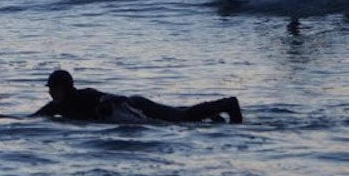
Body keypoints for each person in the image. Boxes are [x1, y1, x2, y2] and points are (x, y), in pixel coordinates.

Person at [33, 69, 243, 124]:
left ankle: (226, 104)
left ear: (66, 88)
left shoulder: (83, 96)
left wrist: (104, 106)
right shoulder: (58, 107)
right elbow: (31, 119)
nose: (50, 92)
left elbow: (111, 97)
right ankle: (215, 115)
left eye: (53, 88)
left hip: (136, 106)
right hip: (134, 113)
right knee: (180, 115)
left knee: (182, 118)